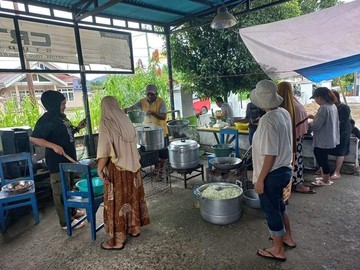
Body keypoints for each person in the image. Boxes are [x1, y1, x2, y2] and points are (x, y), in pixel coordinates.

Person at [97, 96, 150, 250]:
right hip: (133, 170)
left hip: (117, 170)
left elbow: (104, 151)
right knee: (132, 198)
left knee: (117, 203)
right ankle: (134, 228)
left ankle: (118, 241)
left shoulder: (106, 122)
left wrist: (99, 170)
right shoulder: (126, 120)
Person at [251, 80, 295, 262]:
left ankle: (278, 249)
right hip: (285, 169)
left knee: (271, 211)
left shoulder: (267, 120)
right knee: (279, 206)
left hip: (272, 173)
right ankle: (287, 238)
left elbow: (270, 154)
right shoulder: (283, 112)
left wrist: (260, 180)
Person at [30, 90, 87, 230]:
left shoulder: (60, 117)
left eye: (65, 103)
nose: (65, 106)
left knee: (69, 188)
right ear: (53, 104)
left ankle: (72, 212)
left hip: (68, 159)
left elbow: (64, 134)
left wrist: (78, 128)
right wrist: (53, 146)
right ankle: (65, 222)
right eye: (62, 104)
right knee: (60, 191)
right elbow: (33, 138)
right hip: (57, 161)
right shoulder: (47, 119)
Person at [277, 82, 315, 194]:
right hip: (296, 139)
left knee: (282, 162)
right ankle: (297, 184)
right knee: (296, 160)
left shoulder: (277, 106)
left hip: (280, 141)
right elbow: (304, 125)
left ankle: (284, 185)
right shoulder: (297, 106)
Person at [124, 84, 169, 177]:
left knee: (162, 154)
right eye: (148, 94)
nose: (150, 96)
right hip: (147, 132)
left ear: (156, 94)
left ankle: (159, 170)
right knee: (153, 153)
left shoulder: (161, 102)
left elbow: (164, 117)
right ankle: (156, 169)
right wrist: (125, 110)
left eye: (152, 94)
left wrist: (153, 113)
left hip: (160, 132)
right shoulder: (142, 101)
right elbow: (133, 107)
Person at [308, 87, 340, 186]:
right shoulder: (332, 106)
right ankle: (325, 177)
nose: (315, 101)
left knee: (321, 158)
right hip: (330, 136)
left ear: (320, 97)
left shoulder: (323, 108)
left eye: (315, 99)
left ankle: (326, 180)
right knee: (323, 156)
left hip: (323, 138)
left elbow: (316, 125)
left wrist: (309, 123)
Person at [327, 90, 352, 180]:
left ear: (336, 97)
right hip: (333, 131)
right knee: (328, 149)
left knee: (341, 150)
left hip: (343, 131)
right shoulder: (330, 107)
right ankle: (325, 169)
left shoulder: (344, 107)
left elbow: (343, 122)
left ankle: (337, 172)